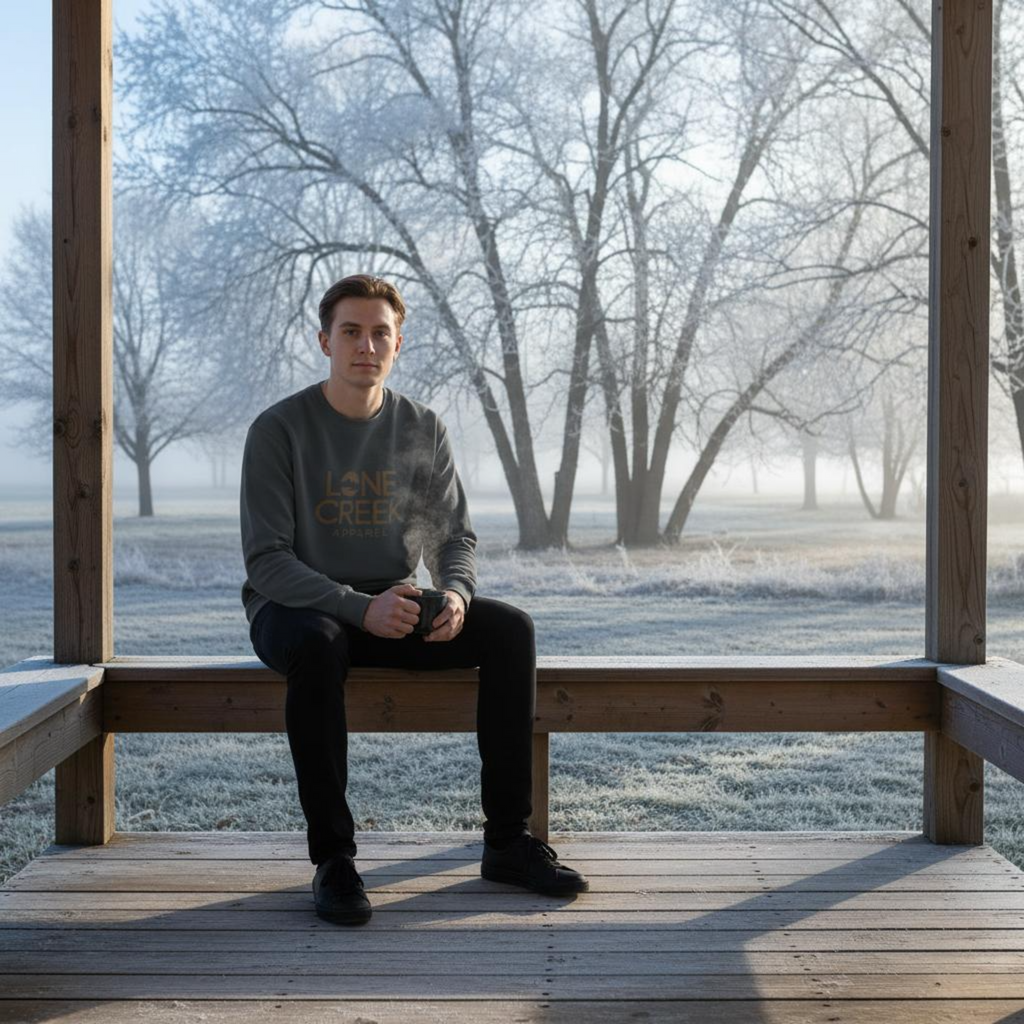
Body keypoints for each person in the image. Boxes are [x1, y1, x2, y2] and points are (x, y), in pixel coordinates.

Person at [240, 274, 588, 926]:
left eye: (380, 333)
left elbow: (454, 537)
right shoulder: (280, 430)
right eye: (351, 331)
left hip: (390, 603)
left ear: (398, 345)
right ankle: (334, 861)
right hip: (295, 608)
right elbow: (267, 562)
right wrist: (353, 606)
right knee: (318, 645)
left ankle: (508, 843)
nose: (365, 345)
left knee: (510, 631)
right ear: (325, 340)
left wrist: (454, 594)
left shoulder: (421, 428)